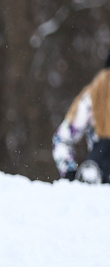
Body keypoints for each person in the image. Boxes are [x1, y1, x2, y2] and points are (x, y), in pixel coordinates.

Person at [52, 50, 110, 184]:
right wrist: (70, 172)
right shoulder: (92, 98)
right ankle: (91, 173)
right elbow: (62, 139)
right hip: (101, 174)